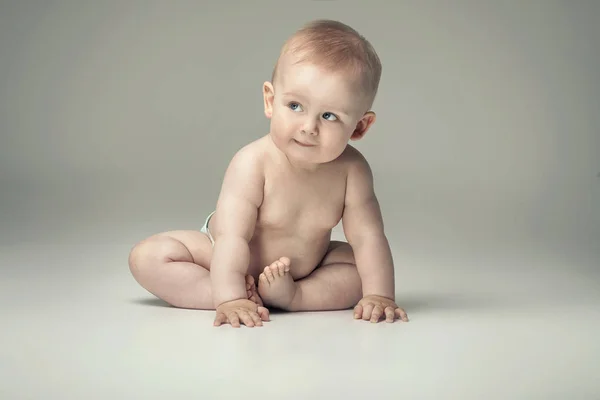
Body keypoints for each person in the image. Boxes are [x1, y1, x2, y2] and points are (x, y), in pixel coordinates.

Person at [128, 19, 409, 328]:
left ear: (359, 126)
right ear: (270, 101)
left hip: (306, 268)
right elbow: (233, 237)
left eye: (329, 116)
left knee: (361, 271)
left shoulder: (352, 171)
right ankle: (222, 295)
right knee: (149, 257)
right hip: (223, 257)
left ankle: (295, 296)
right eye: (295, 106)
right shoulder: (252, 162)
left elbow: (368, 237)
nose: (309, 127)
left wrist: (380, 295)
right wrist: (229, 295)